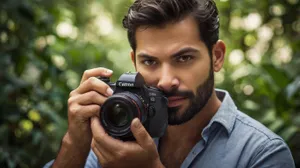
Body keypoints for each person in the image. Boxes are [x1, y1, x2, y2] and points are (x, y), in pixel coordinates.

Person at [44, 0, 295, 167]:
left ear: (216, 56)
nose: (165, 81)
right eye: (150, 62)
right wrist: (74, 146)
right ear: (134, 61)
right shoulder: (117, 129)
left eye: (184, 58)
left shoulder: (262, 153)